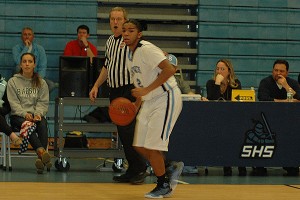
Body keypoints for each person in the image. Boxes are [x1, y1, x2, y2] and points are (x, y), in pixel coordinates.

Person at [122, 19, 184, 198]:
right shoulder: (129, 55)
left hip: (166, 98)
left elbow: (170, 69)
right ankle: (170, 166)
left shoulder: (147, 49)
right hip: (149, 101)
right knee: (139, 145)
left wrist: (146, 91)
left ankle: (163, 185)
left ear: (139, 34)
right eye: (124, 31)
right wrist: (137, 103)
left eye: (131, 30)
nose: (126, 34)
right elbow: (142, 82)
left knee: (153, 146)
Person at [89, 7, 148, 184]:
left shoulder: (132, 41)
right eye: (112, 19)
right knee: (122, 132)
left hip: (128, 88)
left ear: (125, 21)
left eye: (119, 19)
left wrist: (141, 92)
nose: (115, 22)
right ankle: (133, 168)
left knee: (129, 131)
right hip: (114, 90)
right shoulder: (109, 42)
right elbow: (107, 66)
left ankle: (141, 168)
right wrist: (96, 85)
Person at [7, 52, 51, 174]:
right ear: (20, 65)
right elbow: (13, 103)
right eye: (24, 62)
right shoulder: (13, 81)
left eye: (30, 61)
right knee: (28, 125)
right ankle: (42, 153)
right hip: (18, 117)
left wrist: (38, 114)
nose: (27, 64)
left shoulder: (41, 83)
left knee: (42, 124)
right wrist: (24, 114)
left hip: (35, 115)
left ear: (34, 64)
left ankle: (40, 161)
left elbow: (43, 102)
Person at [258, 59, 300, 176]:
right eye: (275, 70)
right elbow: (263, 98)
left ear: (287, 72)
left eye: (281, 71)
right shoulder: (265, 82)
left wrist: (286, 86)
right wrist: (285, 101)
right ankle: (260, 164)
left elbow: (299, 97)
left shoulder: (293, 83)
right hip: (268, 119)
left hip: (288, 121)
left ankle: (290, 164)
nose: (278, 73)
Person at [206, 59, 247, 176]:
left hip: (233, 118)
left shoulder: (236, 83)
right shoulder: (211, 83)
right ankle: (226, 167)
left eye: (222, 69)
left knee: (238, 136)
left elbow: (236, 101)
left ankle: (241, 167)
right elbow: (213, 99)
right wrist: (217, 84)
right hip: (217, 119)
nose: (219, 71)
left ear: (229, 71)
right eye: (217, 69)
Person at [12, 27, 58, 92]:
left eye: (29, 34)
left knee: (51, 85)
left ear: (33, 37)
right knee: (18, 67)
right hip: (21, 76)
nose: (27, 37)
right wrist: (26, 48)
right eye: (25, 34)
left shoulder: (40, 49)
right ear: (21, 37)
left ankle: (38, 100)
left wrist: (38, 79)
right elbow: (18, 62)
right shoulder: (16, 48)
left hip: (35, 76)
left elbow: (42, 66)